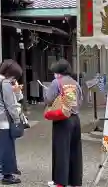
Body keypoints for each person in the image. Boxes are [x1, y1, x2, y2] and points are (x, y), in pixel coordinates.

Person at [44, 59, 83, 187]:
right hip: (75, 119)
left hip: (63, 119)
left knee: (61, 150)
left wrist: (47, 91)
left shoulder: (57, 82)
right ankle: (75, 180)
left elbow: (48, 99)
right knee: (75, 150)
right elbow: (80, 100)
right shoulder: (75, 83)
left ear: (58, 72)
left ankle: (60, 182)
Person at [0, 59, 23, 185]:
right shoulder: (5, 83)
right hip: (3, 121)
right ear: (10, 73)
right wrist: (17, 119)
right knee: (6, 148)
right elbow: (10, 104)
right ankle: (7, 176)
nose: (14, 78)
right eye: (14, 75)